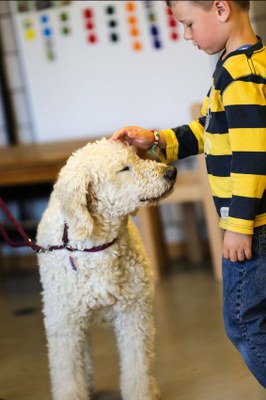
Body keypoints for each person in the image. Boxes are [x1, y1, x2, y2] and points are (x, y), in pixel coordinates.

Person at [111, 0, 266, 388]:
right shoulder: (248, 64)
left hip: (254, 228)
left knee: (245, 323)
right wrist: (157, 140)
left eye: (188, 23)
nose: (186, 35)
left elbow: (252, 156)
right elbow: (210, 129)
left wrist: (239, 225)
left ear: (220, 8)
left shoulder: (237, 76)